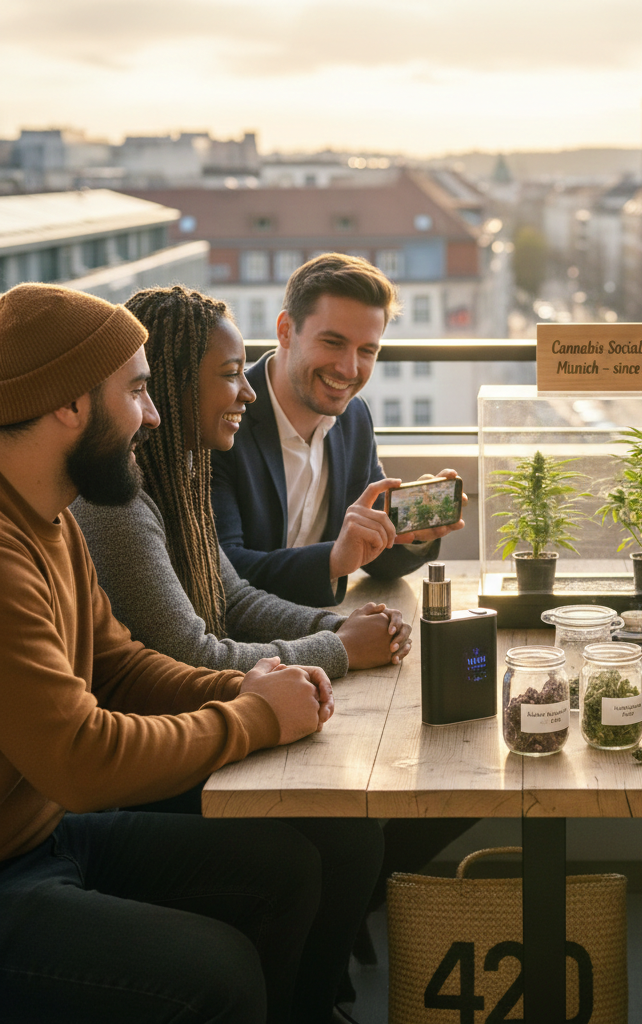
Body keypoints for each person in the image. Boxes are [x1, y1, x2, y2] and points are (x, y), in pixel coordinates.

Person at [0, 283, 383, 1024]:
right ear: (69, 404)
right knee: (217, 972)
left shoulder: (49, 521)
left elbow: (122, 664)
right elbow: (77, 756)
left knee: (293, 871)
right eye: (138, 392)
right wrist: (254, 720)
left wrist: (254, 687)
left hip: (45, 837)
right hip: (16, 862)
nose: (151, 415)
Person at [73, 285, 413, 676]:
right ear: (175, 385)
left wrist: (341, 626)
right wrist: (341, 647)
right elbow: (193, 656)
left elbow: (234, 601)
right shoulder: (116, 506)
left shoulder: (179, 480)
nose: (248, 393)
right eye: (232, 374)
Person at [211, 252, 464, 608]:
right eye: (333, 342)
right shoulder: (224, 420)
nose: (349, 368)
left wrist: (410, 536)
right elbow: (223, 571)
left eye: (367, 350)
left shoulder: (354, 417)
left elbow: (365, 554)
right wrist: (331, 561)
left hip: (318, 627)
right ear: (285, 330)